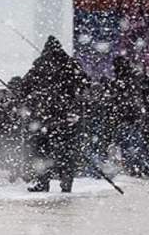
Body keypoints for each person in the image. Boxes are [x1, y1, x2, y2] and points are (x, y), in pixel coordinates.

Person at [21, 36, 89, 192]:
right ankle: (66, 181)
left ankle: (42, 181)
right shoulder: (71, 65)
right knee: (67, 151)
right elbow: (85, 83)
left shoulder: (40, 65)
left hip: (44, 117)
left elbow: (24, 86)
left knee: (41, 150)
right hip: (66, 116)